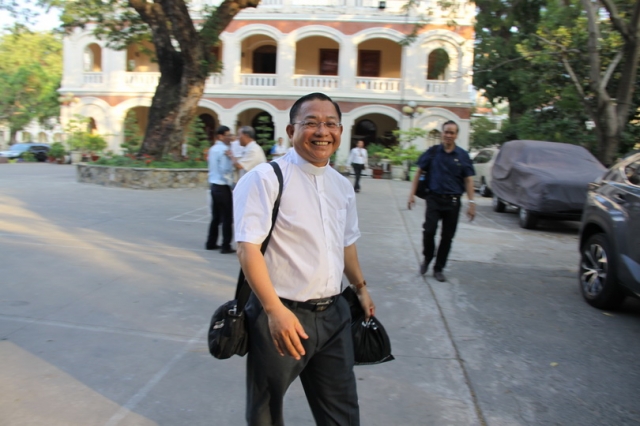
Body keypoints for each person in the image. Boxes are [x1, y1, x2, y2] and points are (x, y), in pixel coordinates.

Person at [233, 92, 375, 425]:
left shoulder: (341, 186)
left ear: (340, 131)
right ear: (291, 130)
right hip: (282, 314)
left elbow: (346, 244)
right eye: (311, 123)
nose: (322, 131)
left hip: (334, 315)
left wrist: (361, 288)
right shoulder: (266, 178)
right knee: (266, 411)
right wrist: (273, 311)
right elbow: (247, 249)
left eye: (330, 124)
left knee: (342, 411)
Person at [407, 120, 476, 282]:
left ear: (456, 135)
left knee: (447, 237)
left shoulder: (462, 155)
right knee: (428, 231)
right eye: (446, 132)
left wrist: (472, 203)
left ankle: (439, 268)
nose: (448, 135)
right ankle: (428, 257)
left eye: (452, 132)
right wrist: (411, 195)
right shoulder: (432, 152)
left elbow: (468, 180)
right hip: (434, 199)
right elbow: (418, 172)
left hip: (453, 202)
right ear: (442, 133)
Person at [205, 126, 236, 254]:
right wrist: (232, 183)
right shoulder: (224, 150)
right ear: (220, 136)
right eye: (227, 135)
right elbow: (225, 170)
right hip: (222, 186)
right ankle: (226, 245)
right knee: (227, 217)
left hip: (214, 185)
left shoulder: (213, 149)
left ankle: (210, 242)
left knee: (216, 217)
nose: (230, 138)